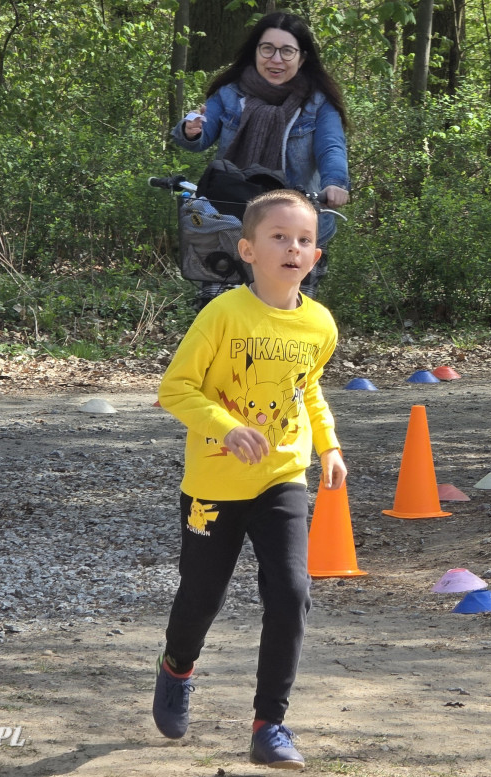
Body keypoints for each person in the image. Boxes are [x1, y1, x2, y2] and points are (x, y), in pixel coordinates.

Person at [153, 189, 347, 769]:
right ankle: (177, 667)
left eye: (305, 240)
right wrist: (225, 427)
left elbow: (306, 387)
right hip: (214, 484)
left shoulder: (319, 324)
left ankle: (270, 724)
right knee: (201, 597)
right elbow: (175, 390)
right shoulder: (222, 313)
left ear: (315, 256)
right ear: (247, 249)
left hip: (283, 476)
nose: (294, 248)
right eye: (279, 237)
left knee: (291, 592)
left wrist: (330, 445)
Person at [171, 12, 349, 302]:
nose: (275, 59)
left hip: (292, 223)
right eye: (267, 49)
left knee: (289, 318)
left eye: (287, 51)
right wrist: (191, 130)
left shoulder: (318, 104)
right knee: (219, 312)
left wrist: (335, 183)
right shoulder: (229, 95)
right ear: (255, 52)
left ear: (301, 58)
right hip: (231, 220)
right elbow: (200, 135)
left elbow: (332, 147)